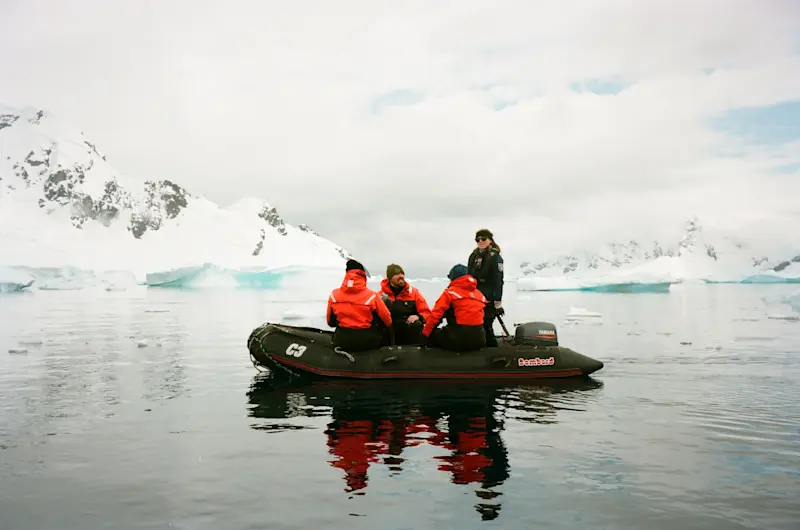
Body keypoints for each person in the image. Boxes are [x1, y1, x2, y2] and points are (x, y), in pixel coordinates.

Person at [326, 259, 392, 351]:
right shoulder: (372, 296)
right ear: (363, 275)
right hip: (367, 341)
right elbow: (387, 320)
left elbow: (330, 322)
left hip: (342, 340)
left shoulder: (334, 295)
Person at [421, 264, 487, 352]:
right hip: (480, 340)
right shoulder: (479, 294)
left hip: (458, 340)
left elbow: (435, 316)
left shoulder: (450, 293)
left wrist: (425, 335)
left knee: (434, 335)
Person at [378, 263, 432, 345]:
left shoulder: (413, 293)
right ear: (389, 278)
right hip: (390, 332)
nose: (401, 276)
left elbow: (427, 313)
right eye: (396, 274)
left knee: (416, 324)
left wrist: (418, 316)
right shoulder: (380, 296)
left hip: (408, 331)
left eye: (402, 273)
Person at [467, 228, 504, 347]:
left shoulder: (494, 257)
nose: (480, 241)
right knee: (476, 325)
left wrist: (497, 302)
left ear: (490, 240)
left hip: (488, 297)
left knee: (487, 325)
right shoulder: (473, 256)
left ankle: (493, 351)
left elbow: (498, 281)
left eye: (483, 239)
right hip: (475, 296)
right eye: (477, 239)